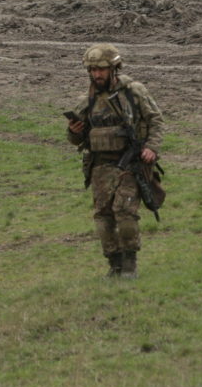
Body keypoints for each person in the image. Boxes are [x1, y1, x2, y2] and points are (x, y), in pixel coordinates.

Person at [66, 43, 165, 279]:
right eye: (92, 70)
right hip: (100, 166)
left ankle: (130, 264)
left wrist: (151, 147)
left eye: (101, 69)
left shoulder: (133, 91)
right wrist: (75, 130)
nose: (96, 75)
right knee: (103, 215)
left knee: (125, 212)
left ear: (114, 68)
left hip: (130, 163)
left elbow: (156, 120)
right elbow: (73, 139)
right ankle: (114, 263)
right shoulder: (86, 100)